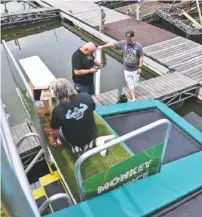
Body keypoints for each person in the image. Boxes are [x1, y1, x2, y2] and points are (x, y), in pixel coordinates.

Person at [49, 78, 97, 158]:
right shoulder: (86, 96)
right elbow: (93, 108)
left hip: (73, 138)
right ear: (70, 87)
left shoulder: (57, 110)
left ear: (56, 93)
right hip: (91, 133)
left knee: (59, 129)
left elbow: (54, 131)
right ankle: (90, 142)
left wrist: (53, 140)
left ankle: (75, 146)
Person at [98, 30, 143, 101]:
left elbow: (141, 56)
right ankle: (133, 97)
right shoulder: (123, 43)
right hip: (127, 69)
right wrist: (103, 46)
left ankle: (133, 90)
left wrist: (140, 67)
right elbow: (112, 44)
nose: (128, 40)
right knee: (130, 84)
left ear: (133, 37)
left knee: (135, 84)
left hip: (135, 69)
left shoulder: (138, 46)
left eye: (130, 38)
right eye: (127, 38)